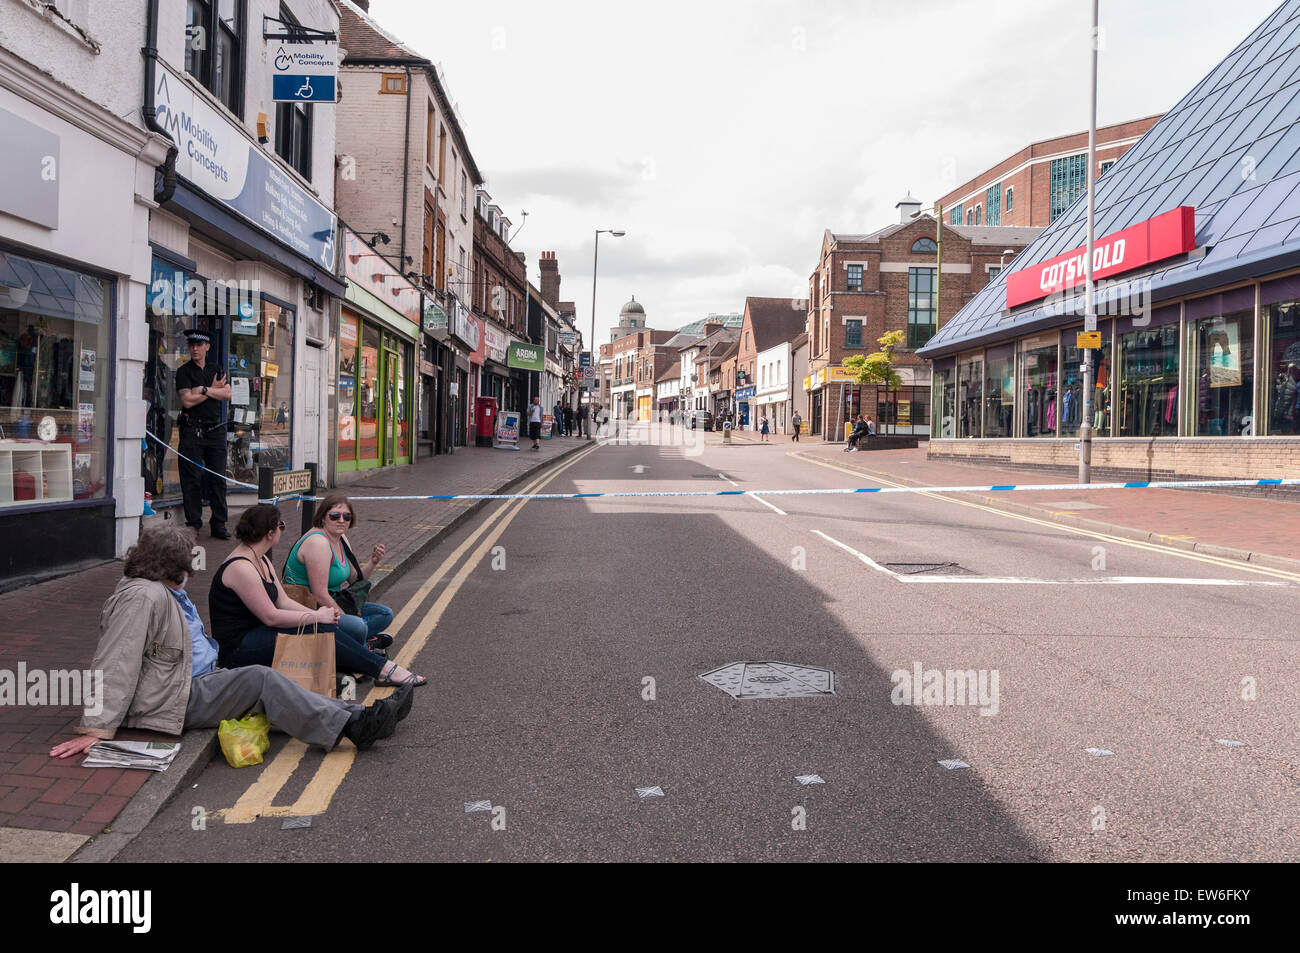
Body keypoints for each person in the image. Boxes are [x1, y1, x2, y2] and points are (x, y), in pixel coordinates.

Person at [48, 526, 414, 760]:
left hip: (195, 682)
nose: (192, 566)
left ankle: (359, 718)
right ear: (170, 563)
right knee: (261, 679)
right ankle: (353, 726)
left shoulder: (162, 590)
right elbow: (115, 661)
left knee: (275, 682)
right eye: (187, 559)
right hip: (176, 697)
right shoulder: (142, 598)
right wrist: (98, 727)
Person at [211, 504, 427, 687]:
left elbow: (283, 601)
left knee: (323, 627)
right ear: (269, 534)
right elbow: (271, 616)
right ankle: (383, 670)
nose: (282, 530)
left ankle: (367, 665)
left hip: (261, 633)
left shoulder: (261, 559)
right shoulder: (241, 567)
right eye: (281, 526)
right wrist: (316, 618)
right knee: (320, 629)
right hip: (239, 649)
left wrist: (321, 614)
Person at [282, 493, 394, 656]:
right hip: (310, 609)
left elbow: (355, 579)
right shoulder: (317, 543)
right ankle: (363, 648)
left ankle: (357, 642)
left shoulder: (341, 539)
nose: (341, 520)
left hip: (334, 602)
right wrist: (347, 619)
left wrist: (373, 562)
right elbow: (319, 595)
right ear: (323, 517)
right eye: (335, 516)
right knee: (358, 626)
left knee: (385, 614)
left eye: (346, 516)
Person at [176, 328, 233, 539]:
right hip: (192, 429)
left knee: (218, 478)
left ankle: (219, 524)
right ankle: (193, 523)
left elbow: (227, 393)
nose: (195, 349)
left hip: (215, 430)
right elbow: (187, 401)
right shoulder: (184, 372)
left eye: (199, 345)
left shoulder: (215, 368)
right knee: (191, 479)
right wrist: (210, 391)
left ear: (207, 347)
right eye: (191, 345)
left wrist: (204, 390)